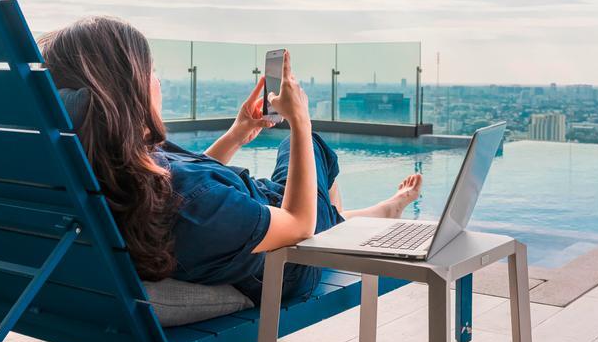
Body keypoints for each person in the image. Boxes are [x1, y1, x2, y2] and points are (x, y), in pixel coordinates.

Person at [38, 16, 423, 304]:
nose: (158, 81)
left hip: (251, 215)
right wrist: (300, 121)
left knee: (300, 158)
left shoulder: (108, 164)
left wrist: (238, 133)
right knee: (310, 146)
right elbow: (299, 224)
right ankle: (351, 226)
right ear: (129, 89)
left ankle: (372, 214)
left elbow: (182, 187)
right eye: (151, 72)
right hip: (288, 259)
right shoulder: (195, 206)